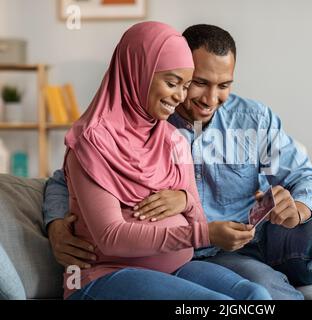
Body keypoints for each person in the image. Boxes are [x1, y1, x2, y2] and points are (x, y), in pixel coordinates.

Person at [44, 24, 312, 300]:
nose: (210, 99)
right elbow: (68, 177)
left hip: (262, 234)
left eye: (224, 85)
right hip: (211, 253)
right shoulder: (149, 119)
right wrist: (57, 225)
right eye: (197, 83)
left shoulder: (251, 119)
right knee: (261, 289)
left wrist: (298, 206)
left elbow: (305, 176)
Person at [56, 21, 272, 300]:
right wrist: (203, 234)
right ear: (137, 74)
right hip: (105, 275)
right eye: (171, 83)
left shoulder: (172, 140)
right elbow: (110, 235)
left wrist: (185, 200)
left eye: (185, 85)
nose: (179, 97)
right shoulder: (91, 142)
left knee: (256, 296)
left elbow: (196, 214)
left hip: (176, 267)